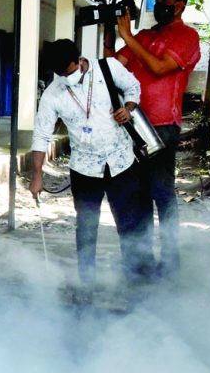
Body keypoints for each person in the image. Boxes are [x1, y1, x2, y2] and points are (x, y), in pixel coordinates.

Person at [29, 39, 154, 285]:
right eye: (62, 75)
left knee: (128, 224)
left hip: (120, 162)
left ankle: (137, 282)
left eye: (70, 71)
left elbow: (133, 87)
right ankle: (86, 282)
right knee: (86, 229)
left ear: (79, 60)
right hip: (84, 169)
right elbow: (41, 134)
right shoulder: (54, 93)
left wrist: (128, 109)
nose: (67, 78)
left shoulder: (108, 68)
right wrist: (37, 176)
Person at [109, 0, 201, 276]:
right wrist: (111, 35)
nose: (159, 4)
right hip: (132, 125)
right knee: (135, 193)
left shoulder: (187, 36)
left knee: (162, 193)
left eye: (164, 0)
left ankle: (171, 262)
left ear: (179, 6)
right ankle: (141, 260)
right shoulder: (144, 36)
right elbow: (114, 65)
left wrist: (128, 37)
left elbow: (160, 67)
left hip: (162, 126)